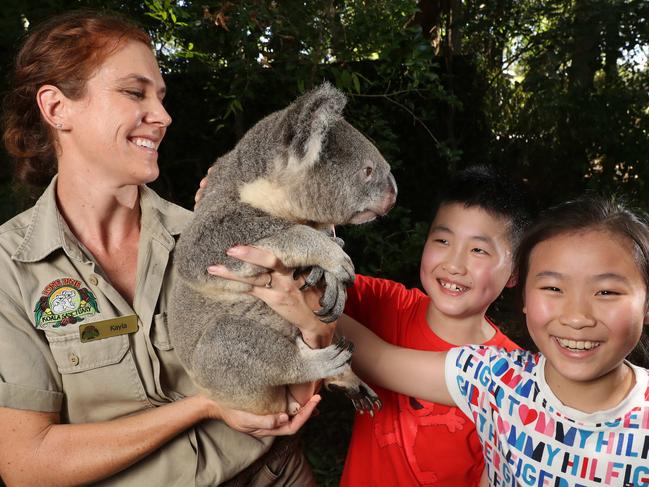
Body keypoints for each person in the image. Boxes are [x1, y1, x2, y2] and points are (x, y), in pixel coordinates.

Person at [0, 10, 321, 486]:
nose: (164, 116)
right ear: (56, 108)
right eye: (134, 92)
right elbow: (28, 464)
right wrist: (205, 405)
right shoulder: (11, 268)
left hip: (271, 474)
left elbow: (292, 394)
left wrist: (310, 320)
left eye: (161, 96)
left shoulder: (208, 236)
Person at [219, 196, 649, 486]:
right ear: (526, 297)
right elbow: (376, 354)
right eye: (553, 288)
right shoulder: (494, 379)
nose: (576, 316)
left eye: (607, 291)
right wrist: (249, 206)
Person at [208, 165, 533, 485]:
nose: (454, 264)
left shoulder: (516, 379)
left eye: (478, 250)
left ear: (515, 273)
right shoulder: (385, 303)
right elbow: (303, 281)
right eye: (443, 241)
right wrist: (243, 203)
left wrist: (309, 310)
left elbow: (325, 318)